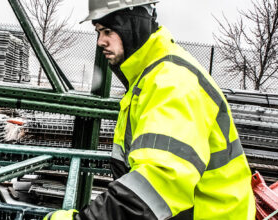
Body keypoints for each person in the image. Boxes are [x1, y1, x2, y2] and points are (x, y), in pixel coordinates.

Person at [44, 0, 256, 219]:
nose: (100, 41)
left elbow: (155, 185)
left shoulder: (171, 82)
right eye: (98, 32)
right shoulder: (149, 79)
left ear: (134, 25)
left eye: (108, 31)